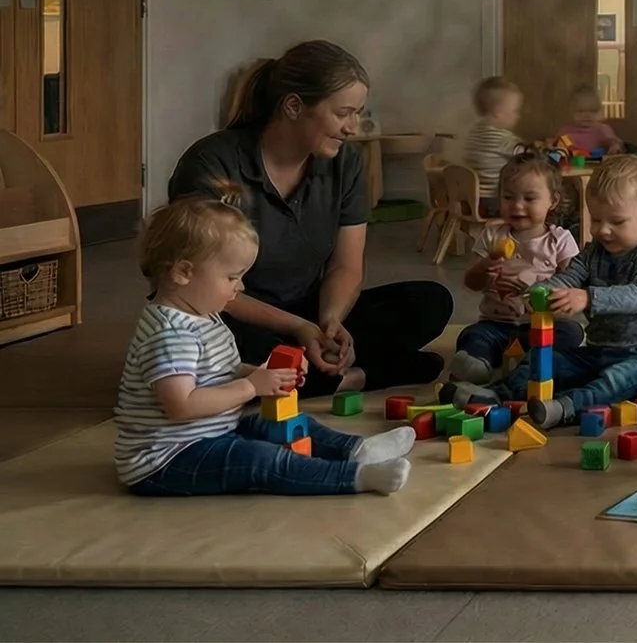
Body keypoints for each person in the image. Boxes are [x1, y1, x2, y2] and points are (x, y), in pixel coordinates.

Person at [170, 40, 452, 397]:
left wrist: (329, 321)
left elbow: (346, 266)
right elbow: (197, 285)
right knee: (211, 345)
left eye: (357, 113)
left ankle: (309, 375)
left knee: (430, 302)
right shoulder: (211, 164)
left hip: (307, 312)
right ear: (293, 106)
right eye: (343, 113)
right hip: (231, 312)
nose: (353, 127)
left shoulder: (346, 164)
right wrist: (298, 327)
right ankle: (362, 376)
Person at [118, 183, 415, 497]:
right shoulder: (170, 333)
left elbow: (219, 374)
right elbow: (181, 405)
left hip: (210, 433)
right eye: (232, 277)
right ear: (183, 272)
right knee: (260, 460)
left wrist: (267, 374)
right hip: (166, 460)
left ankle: (357, 449)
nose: (241, 287)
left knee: (281, 424)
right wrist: (252, 386)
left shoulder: (201, 314)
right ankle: (355, 477)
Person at [441, 154, 637, 429]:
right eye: (597, 220)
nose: (603, 230)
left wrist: (588, 297)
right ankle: (497, 394)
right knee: (549, 360)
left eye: (617, 222)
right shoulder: (593, 252)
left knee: (614, 381)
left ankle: (566, 407)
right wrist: (537, 293)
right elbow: (569, 276)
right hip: (599, 351)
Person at [448, 154, 583, 384]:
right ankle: (477, 364)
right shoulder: (492, 235)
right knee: (472, 335)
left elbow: (572, 283)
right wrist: (484, 268)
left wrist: (536, 294)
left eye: (529, 198)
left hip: (542, 326)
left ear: (553, 201)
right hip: (496, 324)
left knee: (572, 333)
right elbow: (471, 282)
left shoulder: (560, 240)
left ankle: (532, 363)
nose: (517, 205)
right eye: (508, 197)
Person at [463, 76, 523, 217]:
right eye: (515, 111)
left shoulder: (473, 134)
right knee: (535, 200)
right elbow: (527, 155)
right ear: (498, 112)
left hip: (470, 201)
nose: (518, 116)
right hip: (494, 202)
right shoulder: (503, 139)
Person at [557, 84, 621, 157]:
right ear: (571, 112)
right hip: (575, 166)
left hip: (601, 166)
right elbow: (557, 150)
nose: (587, 115)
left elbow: (617, 144)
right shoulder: (565, 132)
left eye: (592, 111)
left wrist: (614, 146)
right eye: (581, 111)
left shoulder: (602, 130)